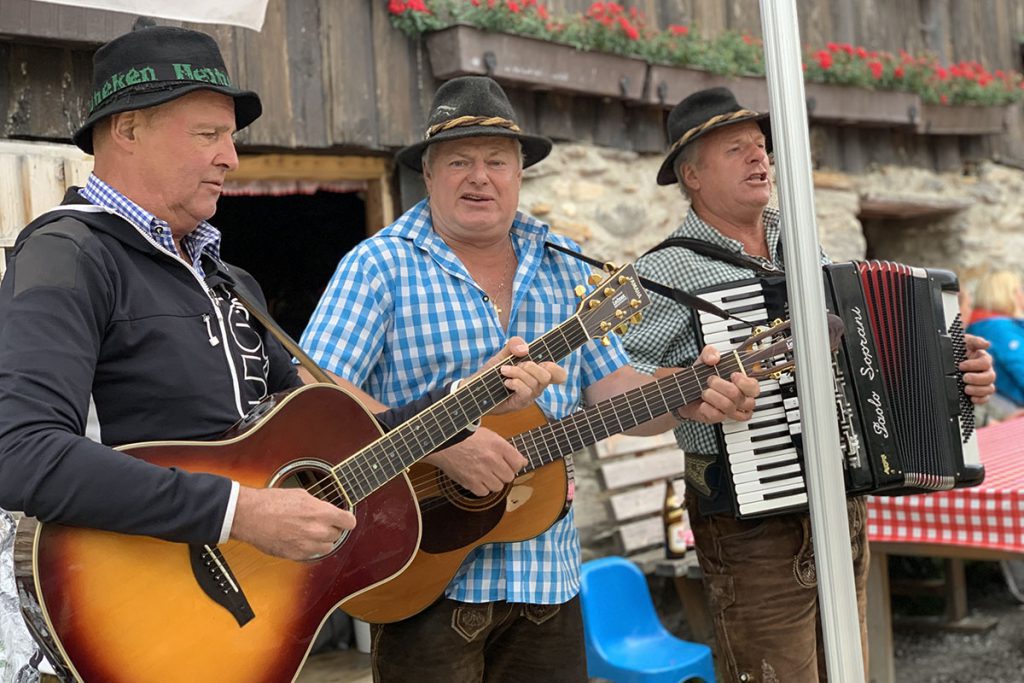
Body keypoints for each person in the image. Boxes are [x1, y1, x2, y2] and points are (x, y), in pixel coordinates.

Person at [0, 26, 558, 621]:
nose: (230, 157)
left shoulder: (230, 281)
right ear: (128, 129)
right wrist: (240, 512)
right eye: (208, 134)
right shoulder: (69, 254)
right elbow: (20, 451)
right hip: (123, 610)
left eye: (229, 138)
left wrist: (457, 406)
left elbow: (322, 429)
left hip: (234, 614)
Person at [299, 76, 760, 682]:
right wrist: (443, 439)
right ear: (429, 176)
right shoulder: (378, 265)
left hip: (548, 579)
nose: (479, 176)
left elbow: (615, 393)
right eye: (459, 161)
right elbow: (315, 392)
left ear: (520, 173)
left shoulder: (564, 264)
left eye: (496, 160)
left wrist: (686, 395)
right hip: (424, 573)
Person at [621, 86, 997, 682]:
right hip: (749, 527)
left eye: (761, 146)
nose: (759, 158)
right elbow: (616, 387)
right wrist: (690, 390)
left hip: (840, 502)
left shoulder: (803, 247)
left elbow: (867, 363)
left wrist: (955, 376)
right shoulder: (663, 269)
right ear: (691, 174)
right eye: (735, 149)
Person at [967, 270, 1024, 412]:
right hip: (1013, 411)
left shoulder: (979, 327)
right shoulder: (999, 329)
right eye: (1019, 290)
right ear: (1010, 295)